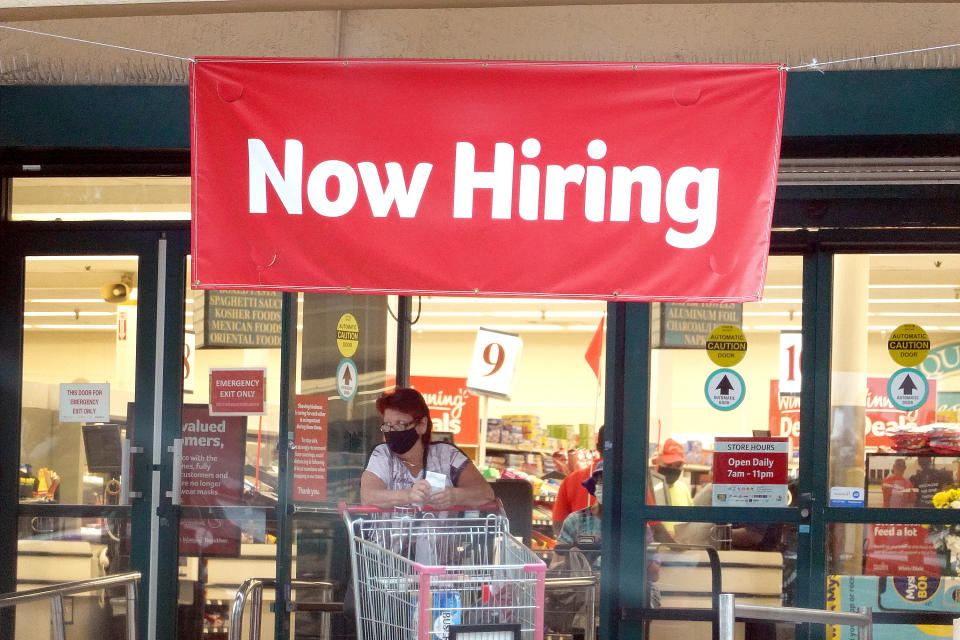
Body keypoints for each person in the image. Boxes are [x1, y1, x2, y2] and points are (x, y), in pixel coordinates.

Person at [360, 387, 494, 509]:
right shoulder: (382, 455)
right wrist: (409, 495)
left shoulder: (447, 455)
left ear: (422, 425)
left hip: (441, 536)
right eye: (388, 425)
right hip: (388, 536)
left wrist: (455, 495)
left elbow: (485, 493)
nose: (392, 431)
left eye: (400, 424)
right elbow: (368, 497)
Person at [552, 425, 604, 528]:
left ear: (597, 447)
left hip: (581, 542)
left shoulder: (571, 480)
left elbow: (559, 524)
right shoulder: (636, 483)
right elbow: (645, 527)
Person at [657, 438, 693, 536]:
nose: (672, 470)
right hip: (655, 550)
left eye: (677, 466)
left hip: (680, 549)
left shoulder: (683, 488)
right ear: (658, 462)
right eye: (668, 465)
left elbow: (691, 520)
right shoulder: (649, 490)